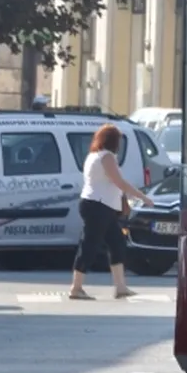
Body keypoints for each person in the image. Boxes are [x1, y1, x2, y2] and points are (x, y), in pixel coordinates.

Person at [69, 124, 154, 300]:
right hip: (98, 205)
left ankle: (121, 288)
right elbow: (119, 182)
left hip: (100, 205)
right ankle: (76, 288)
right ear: (113, 141)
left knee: (116, 244)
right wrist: (143, 197)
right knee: (89, 246)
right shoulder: (107, 157)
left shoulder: (94, 156)